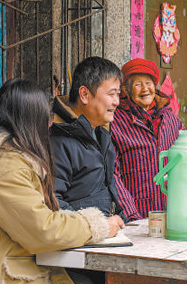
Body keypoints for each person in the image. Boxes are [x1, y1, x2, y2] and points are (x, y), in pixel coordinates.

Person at [0, 79, 121, 283]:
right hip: (16, 272)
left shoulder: (19, 160)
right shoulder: (9, 166)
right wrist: (96, 226)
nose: (50, 123)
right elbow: (42, 230)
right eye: (47, 116)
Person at [50, 56, 141, 223]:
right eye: (112, 94)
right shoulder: (59, 140)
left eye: (118, 95)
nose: (116, 102)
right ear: (84, 94)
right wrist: (98, 227)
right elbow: (53, 202)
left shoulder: (101, 134)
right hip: (79, 243)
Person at [111, 58, 185, 218]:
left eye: (149, 83)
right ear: (127, 89)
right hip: (138, 214)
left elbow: (186, 164)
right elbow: (112, 173)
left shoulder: (172, 120)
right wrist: (131, 215)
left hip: (174, 211)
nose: (145, 88)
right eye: (138, 84)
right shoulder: (116, 121)